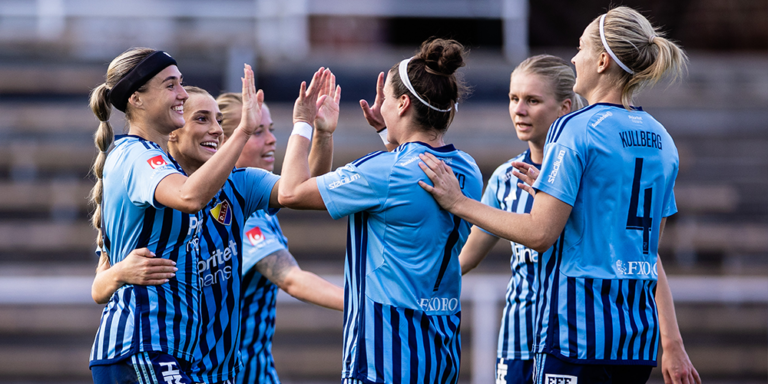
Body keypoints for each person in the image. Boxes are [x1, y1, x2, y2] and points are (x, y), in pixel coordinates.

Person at [418, 7, 700, 384]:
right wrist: (671, 342)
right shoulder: (662, 138)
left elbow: (540, 234)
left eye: (582, 47)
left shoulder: (576, 127)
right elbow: (641, 249)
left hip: (576, 332)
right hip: (634, 340)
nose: (573, 57)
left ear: (602, 61)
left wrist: (458, 202)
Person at [91, 79, 343, 384]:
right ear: (173, 128)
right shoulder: (149, 185)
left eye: (219, 121)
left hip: (219, 369)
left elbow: (300, 190)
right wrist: (119, 273)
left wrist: (313, 130)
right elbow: (99, 288)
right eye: (201, 119)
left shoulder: (239, 186)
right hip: (152, 351)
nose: (216, 130)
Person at [279, 38, 483, 384]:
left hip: (385, 352)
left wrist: (303, 122)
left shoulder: (385, 171)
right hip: (440, 348)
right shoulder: (468, 168)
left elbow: (290, 192)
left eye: (387, 98)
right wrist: (389, 134)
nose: (382, 104)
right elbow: (406, 191)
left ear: (403, 103)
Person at [88, 47, 264, 384]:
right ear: (136, 98)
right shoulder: (137, 156)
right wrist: (242, 132)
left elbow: (100, 286)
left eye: (181, 84)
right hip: (140, 345)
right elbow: (189, 196)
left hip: (166, 351)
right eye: (171, 85)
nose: (183, 94)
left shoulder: (155, 160)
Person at [453, 55, 583, 384]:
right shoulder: (504, 177)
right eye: (514, 98)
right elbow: (463, 259)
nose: (519, 110)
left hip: (573, 342)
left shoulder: (588, 175)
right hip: (516, 342)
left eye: (533, 100)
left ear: (564, 107)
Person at [216, 91, 344, 384]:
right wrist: (367, 302)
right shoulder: (229, 210)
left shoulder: (249, 197)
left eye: (271, 130)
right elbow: (292, 279)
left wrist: (322, 133)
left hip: (257, 371)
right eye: (257, 132)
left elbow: (304, 188)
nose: (272, 140)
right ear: (224, 142)